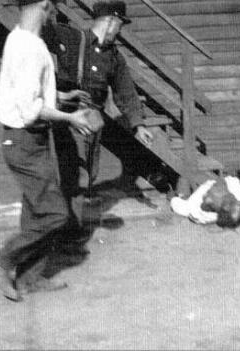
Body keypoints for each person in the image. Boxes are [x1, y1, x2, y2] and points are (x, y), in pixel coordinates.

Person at [0, 0, 97, 302]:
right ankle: (3, 260)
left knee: (36, 211)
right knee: (55, 215)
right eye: (55, 7)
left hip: (29, 141)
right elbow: (30, 108)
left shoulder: (20, 38)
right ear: (46, 6)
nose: (57, 15)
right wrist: (70, 117)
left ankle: (29, 278)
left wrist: (61, 95)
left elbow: (28, 89)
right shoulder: (30, 49)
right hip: (25, 141)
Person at [43, 0, 153, 213]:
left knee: (88, 175)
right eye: (120, 25)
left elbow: (126, 92)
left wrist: (138, 126)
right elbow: (40, 31)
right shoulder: (72, 37)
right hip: (67, 119)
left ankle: (70, 225)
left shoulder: (114, 57)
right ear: (112, 22)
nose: (119, 31)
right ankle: (68, 230)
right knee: (72, 176)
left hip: (93, 122)